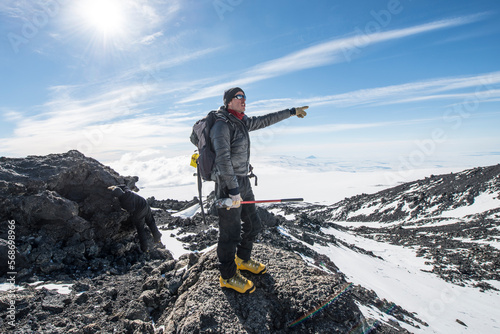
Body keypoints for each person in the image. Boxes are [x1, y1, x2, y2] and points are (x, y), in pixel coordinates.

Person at [211, 87, 308, 293]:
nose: (244, 100)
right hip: (228, 184)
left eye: (245, 97)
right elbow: (222, 160)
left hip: (243, 181)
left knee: (254, 224)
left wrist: (291, 111)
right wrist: (233, 190)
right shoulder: (221, 125)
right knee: (230, 233)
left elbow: (265, 120)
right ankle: (227, 276)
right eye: (239, 97)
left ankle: (242, 259)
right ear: (229, 101)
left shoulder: (241, 121)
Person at [108, 185, 162, 252]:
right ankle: (157, 237)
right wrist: (116, 186)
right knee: (150, 221)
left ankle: (145, 248)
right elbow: (124, 186)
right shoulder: (127, 191)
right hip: (145, 205)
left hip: (139, 212)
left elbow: (131, 209)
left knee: (140, 229)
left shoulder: (124, 202)